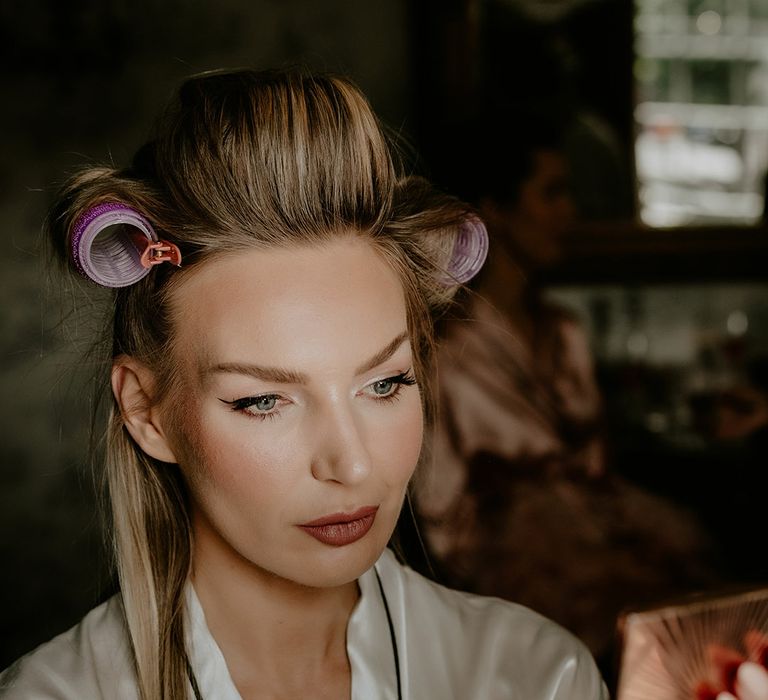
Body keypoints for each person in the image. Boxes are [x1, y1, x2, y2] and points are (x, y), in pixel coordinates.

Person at [0, 69, 607, 699]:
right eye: (264, 400)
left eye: (385, 384)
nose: (351, 463)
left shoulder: (537, 678)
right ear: (146, 411)